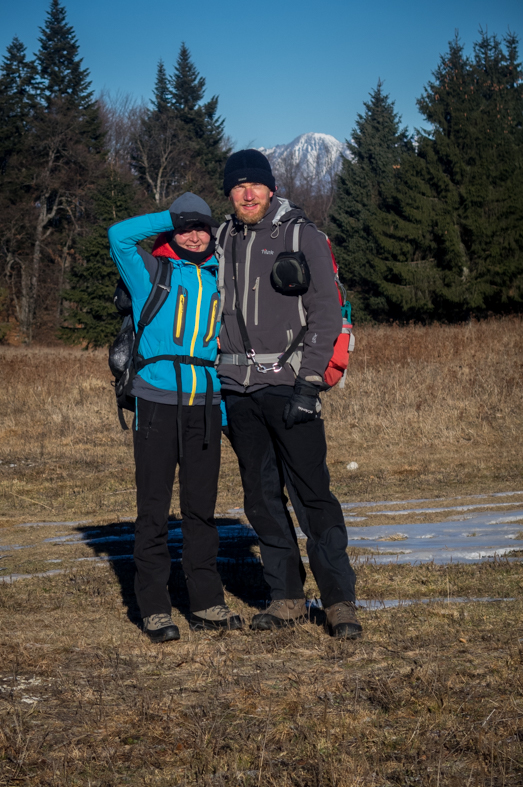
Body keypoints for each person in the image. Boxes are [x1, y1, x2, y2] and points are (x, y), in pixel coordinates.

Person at [216, 150, 362, 639]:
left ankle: (340, 602)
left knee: (312, 496)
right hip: (238, 390)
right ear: (230, 194)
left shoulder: (304, 237)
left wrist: (310, 382)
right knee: (260, 499)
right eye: (238, 187)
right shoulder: (221, 239)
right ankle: (287, 599)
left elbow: (326, 314)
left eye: (255, 185)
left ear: (271, 188)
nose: (247, 194)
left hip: (291, 387)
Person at [108, 193, 243, 643]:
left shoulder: (218, 277)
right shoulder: (150, 272)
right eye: (185, 226)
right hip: (157, 403)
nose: (193, 233)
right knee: (153, 510)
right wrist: (172, 215)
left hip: (205, 404)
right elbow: (118, 236)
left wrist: (223, 410)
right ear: (171, 230)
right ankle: (154, 608)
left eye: (201, 226)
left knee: (200, 511)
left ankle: (205, 602)